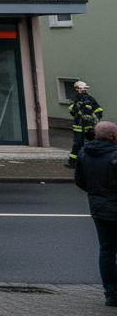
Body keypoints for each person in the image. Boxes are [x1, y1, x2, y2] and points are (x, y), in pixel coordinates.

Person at [75, 119, 117, 307]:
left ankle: (110, 294)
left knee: (106, 251)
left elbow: (80, 181)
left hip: (99, 208)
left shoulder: (84, 152)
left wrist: (96, 193)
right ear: (114, 136)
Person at [68, 81, 105, 169]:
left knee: (90, 143)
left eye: (82, 89)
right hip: (80, 126)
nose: (82, 90)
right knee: (78, 144)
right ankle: (73, 162)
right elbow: (72, 111)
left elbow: (98, 110)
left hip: (89, 126)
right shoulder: (76, 99)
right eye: (80, 89)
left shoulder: (89, 98)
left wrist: (95, 118)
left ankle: (90, 161)